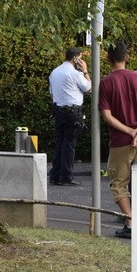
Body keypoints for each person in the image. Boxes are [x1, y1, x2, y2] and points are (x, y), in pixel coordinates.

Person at [99, 42, 137, 239]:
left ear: (107, 59)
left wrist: (130, 132)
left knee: (119, 183)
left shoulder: (106, 83)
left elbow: (107, 116)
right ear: (127, 58)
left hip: (121, 141)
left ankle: (131, 222)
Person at [48, 47, 91, 186]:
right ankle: (66, 176)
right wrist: (85, 70)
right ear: (76, 59)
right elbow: (89, 88)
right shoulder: (75, 74)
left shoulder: (54, 72)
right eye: (81, 57)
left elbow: (52, 92)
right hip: (73, 112)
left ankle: (55, 175)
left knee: (60, 142)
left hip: (58, 110)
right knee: (69, 144)